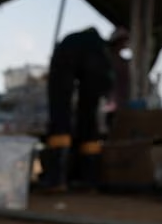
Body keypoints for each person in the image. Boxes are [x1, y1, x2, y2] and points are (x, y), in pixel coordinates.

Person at [39, 25, 129, 192]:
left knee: (60, 113)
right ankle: (88, 179)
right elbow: (106, 89)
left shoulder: (81, 46)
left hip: (67, 56)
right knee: (89, 119)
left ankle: (57, 179)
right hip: (85, 63)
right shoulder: (103, 56)